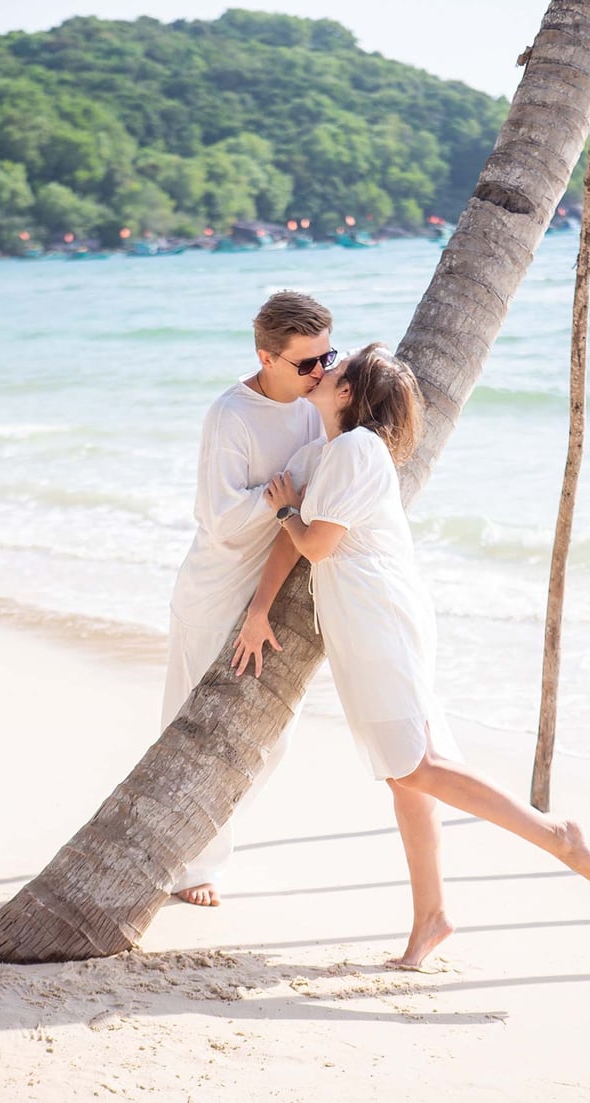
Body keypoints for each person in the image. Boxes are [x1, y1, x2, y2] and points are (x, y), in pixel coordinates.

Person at [232, 343, 590, 969]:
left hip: (377, 618)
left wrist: (283, 510)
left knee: (413, 766)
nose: (322, 370)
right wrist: (259, 606)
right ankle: (432, 917)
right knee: (406, 777)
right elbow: (293, 537)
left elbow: (315, 543)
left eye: (334, 367)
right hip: (365, 617)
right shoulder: (326, 453)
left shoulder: (357, 451)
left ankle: (555, 835)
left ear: (348, 393)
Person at [162, 298, 442, 914]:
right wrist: (283, 499)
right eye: (306, 362)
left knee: (271, 739)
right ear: (267, 358)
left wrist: (295, 521)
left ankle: (205, 851)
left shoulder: (317, 407)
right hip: (215, 586)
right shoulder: (230, 415)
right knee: (189, 727)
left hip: (278, 586)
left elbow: (330, 492)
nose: (320, 372)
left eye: (327, 357)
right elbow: (219, 518)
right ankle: (190, 863)